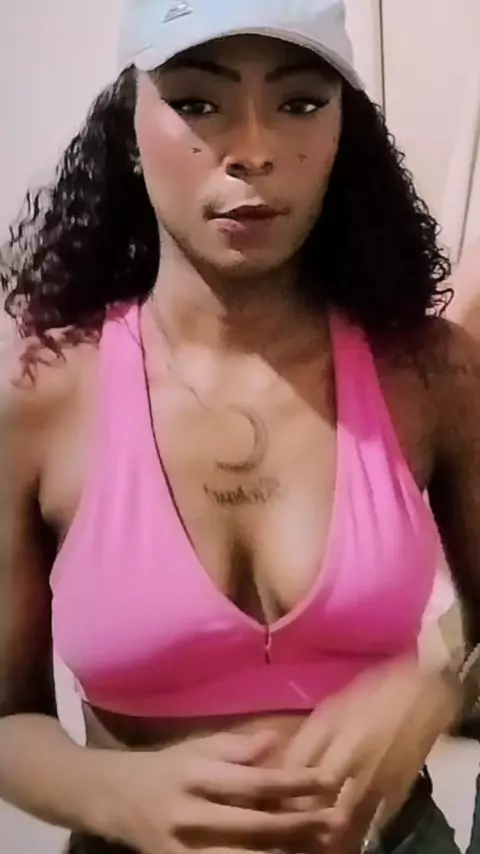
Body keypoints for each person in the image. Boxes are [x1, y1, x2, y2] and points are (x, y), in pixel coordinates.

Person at [2, 1, 480, 852]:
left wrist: (439, 690)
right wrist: (114, 793)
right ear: (127, 129)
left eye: (299, 103)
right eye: (198, 102)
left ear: (343, 134)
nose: (253, 149)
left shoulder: (428, 371)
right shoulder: (39, 396)